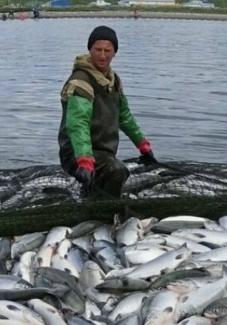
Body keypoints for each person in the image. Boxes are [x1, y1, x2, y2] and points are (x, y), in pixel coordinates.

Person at [59, 25, 156, 198]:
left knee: (113, 171)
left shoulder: (114, 80)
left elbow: (124, 116)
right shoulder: (81, 81)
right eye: (98, 49)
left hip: (102, 152)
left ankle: (92, 200)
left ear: (114, 53)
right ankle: (105, 216)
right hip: (76, 152)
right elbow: (78, 123)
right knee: (117, 170)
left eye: (107, 50)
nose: (102, 55)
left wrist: (143, 145)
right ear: (90, 49)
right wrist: (84, 160)